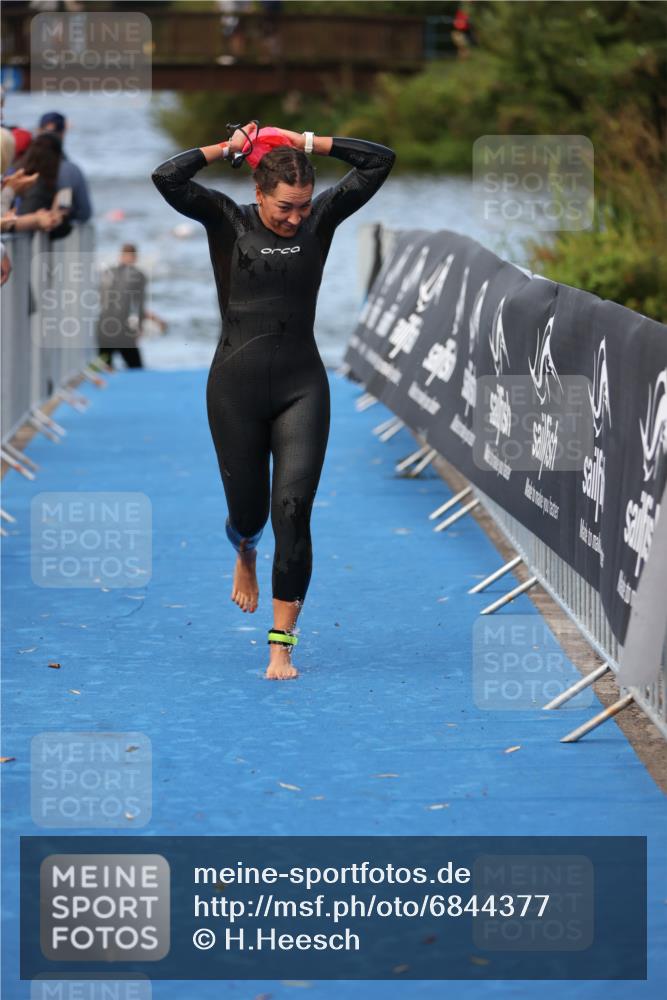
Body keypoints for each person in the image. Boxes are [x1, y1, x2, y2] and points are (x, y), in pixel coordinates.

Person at [151, 122, 395, 680]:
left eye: (305, 207)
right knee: (250, 514)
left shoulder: (320, 221)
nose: (296, 218)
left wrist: (307, 142)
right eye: (285, 207)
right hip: (233, 389)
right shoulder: (224, 218)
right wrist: (227, 149)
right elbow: (167, 176)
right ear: (258, 194)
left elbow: (380, 161)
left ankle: (280, 645)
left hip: (301, 386)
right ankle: (244, 551)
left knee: (294, 513)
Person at [96, 243, 168, 369]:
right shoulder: (139, 275)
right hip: (122, 329)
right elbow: (138, 305)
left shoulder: (107, 273)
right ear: (135, 257)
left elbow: (102, 301)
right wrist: (139, 327)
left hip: (103, 326)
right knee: (136, 367)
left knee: (103, 368)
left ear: (121, 256)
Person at [37, 111, 92, 223]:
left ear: (38, 131)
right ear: (63, 133)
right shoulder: (69, 170)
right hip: (54, 228)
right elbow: (84, 212)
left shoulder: (22, 166)